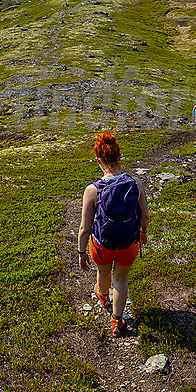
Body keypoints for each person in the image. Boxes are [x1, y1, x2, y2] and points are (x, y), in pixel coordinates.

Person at [78, 132, 149, 337]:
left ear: (98, 160)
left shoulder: (92, 189)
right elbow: (145, 217)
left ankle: (104, 297)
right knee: (121, 279)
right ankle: (117, 322)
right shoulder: (135, 184)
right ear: (119, 157)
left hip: (102, 245)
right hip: (129, 243)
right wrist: (142, 233)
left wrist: (82, 252)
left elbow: (84, 228)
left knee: (103, 273)